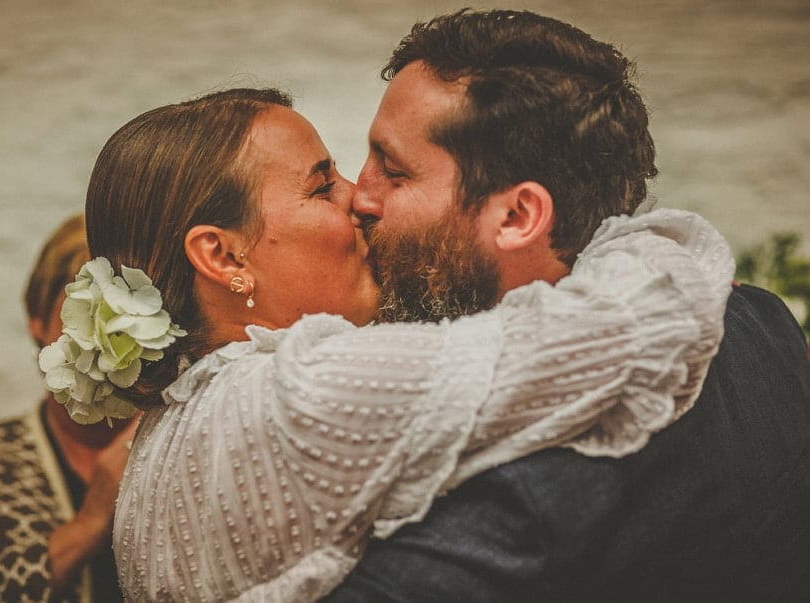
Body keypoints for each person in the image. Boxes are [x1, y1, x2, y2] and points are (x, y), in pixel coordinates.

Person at [42, 86, 733, 601]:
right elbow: (627, 335)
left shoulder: (170, 431)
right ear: (223, 256)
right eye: (322, 185)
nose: (360, 199)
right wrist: (635, 234)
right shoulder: (298, 392)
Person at [322, 9, 810, 601]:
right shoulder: (758, 319)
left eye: (393, 172)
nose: (358, 195)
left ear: (519, 217)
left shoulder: (524, 468)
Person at [0, 214, 135, 602]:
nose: (104, 341)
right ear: (37, 315)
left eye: (126, 320)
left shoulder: (188, 452)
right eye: (85, 316)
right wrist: (89, 524)